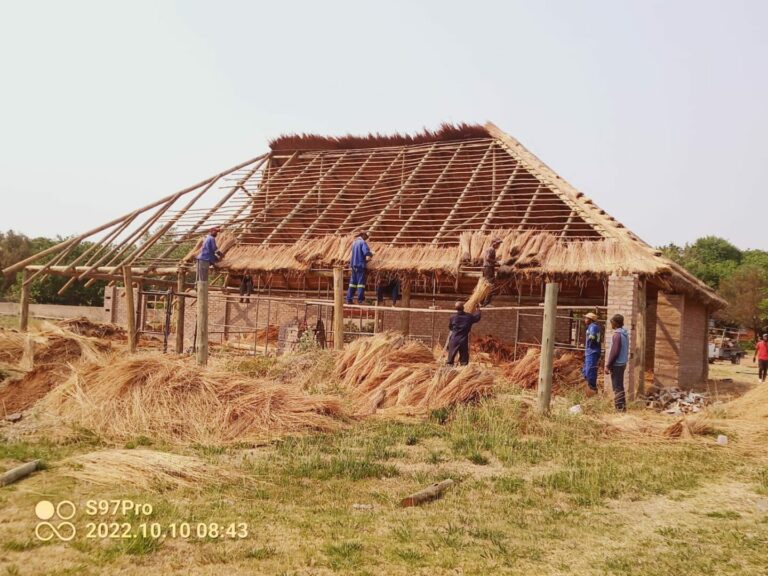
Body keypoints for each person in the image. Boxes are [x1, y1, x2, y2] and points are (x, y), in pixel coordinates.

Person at [604, 314, 629, 412]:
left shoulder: (617, 335)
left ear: (616, 323)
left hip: (617, 364)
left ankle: (619, 409)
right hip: (622, 363)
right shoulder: (624, 334)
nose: (611, 324)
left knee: (617, 387)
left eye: (612, 322)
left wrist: (608, 365)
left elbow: (615, 352)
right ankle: (622, 408)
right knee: (620, 386)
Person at [446, 301, 482, 366]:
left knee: (450, 360)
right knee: (464, 360)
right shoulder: (469, 317)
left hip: (454, 339)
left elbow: (450, 327)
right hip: (463, 340)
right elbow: (477, 318)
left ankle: (448, 372)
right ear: (463, 307)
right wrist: (478, 309)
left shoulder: (452, 317)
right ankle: (463, 372)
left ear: (455, 309)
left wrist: (456, 330)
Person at [346, 231, 373, 304]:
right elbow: (366, 252)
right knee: (361, 284)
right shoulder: (362, 243)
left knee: (352, 283)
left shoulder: (354, 243)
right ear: (363, 236)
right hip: (360, 266)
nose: (366, 239)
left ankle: (349, 300)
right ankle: (360, 300)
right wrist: (371, 254)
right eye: (366, 237)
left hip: (353, 266)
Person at [582, 312, 602, 393]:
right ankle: (589, 386)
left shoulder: (593, 327)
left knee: (590, 370)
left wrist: (589, 346)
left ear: (590, 320)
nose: (585, 320)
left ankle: (592, 388)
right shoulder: (592, 326)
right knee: (586, 369)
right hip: (590, 351)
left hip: (592, 352)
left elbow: (592, 337)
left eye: (586, 318)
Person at [480, 238, 503, 307]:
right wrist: (497, 262)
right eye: (498, 243)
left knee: (486, 285)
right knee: (490, 285)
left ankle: (481, 302)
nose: (498, 245)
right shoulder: (491, 249)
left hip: (487, 268)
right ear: (494, 243)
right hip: (488, 268)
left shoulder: (489, 249)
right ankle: (486, 303)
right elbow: (487, 258)